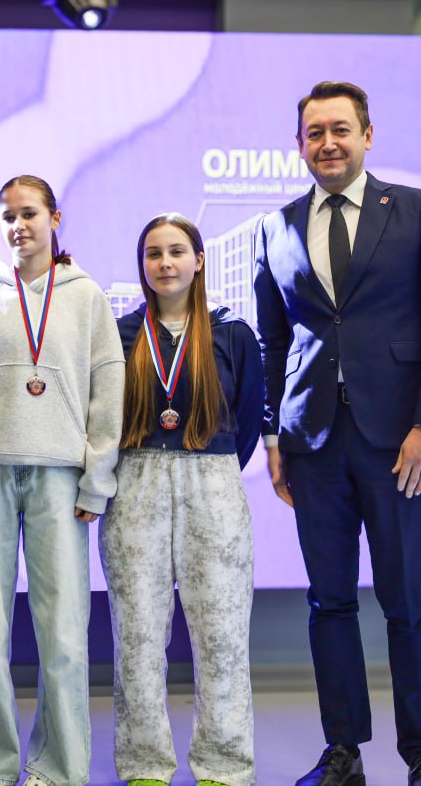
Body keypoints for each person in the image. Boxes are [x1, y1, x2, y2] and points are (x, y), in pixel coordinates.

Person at [253, 82, 421, 786]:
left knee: (408, 604)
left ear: (367, 136)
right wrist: (273, 439)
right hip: (312, 444)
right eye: (314, 133)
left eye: (340, 129)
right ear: (299, 145)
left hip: (400, 442)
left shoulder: (417, 210)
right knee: (330, 603)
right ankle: (343, 752)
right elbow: (273, 341)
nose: (328, 143)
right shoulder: (276, 227)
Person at [0, 175, 124, 786]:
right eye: (8, 216)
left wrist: (97, 479)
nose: (18, 225)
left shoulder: (86, 296)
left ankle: (60, 769)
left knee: (65, 634)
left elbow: (107, 390)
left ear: (55, 218)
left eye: (29, 213)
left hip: (59, 480)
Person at [102, 213, 263, 786]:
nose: (165, 263)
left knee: (222, 635)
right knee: (138, 636)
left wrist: (208, 464)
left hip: (212, 483)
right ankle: (145, 764)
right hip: (136, 483)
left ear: (198, 261)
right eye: (153, 253)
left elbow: (247, 422)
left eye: (176, 251)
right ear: (142, 265)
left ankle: (224, 764)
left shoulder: (233, 334)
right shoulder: (118, 334)